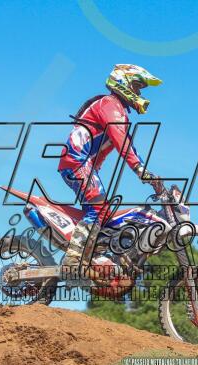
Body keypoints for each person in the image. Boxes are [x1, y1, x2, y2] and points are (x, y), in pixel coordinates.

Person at [57, 64, 162, 274]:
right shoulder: (110, 104)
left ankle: (93, 257)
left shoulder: (117, 111)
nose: (139, 93)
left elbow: (128, 145)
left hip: (81, 164)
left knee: (104, 214)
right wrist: (140, 170)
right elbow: (122, 143)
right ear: (123, 82)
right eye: (137, 86)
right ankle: (73, 259)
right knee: (100, 208)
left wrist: (150, 176)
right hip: (76, 161)